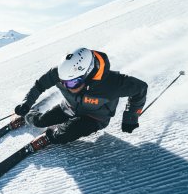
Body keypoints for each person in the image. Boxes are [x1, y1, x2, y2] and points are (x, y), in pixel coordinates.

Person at [13, 47, 148, 152]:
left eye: (72, 83)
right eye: (63, 82)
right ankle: (29, 115)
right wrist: (27, 102)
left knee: (62, 136)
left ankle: (54, 133)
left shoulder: (112, 83)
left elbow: (140, 88)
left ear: (87, 73)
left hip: (95, 118)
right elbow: (40, 85)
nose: (67, 86)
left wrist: (131, 117)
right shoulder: (60, 72)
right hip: (69, 107)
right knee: (39, 122)